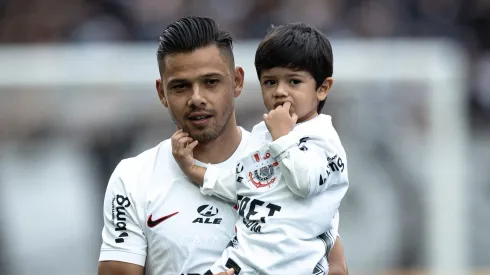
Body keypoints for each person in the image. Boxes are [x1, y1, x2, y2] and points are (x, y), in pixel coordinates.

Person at [97, 16, 349, 275]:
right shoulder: (134, 177)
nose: (197, 98)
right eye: (181, 86)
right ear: (162, 93)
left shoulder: (290, 162)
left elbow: (335, 268)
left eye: (210, 82)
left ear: (237, 81)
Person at [172, 23, 349, 275]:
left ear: (322, 88)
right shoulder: (263, 134)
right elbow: (245, 183)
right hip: (244, 259)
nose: (280, 91)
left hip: (291, 265)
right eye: (270, 82)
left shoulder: (324, 141)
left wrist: (282, 138)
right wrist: (192, 169)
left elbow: (304, 183)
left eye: (294, 81)